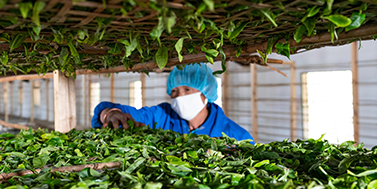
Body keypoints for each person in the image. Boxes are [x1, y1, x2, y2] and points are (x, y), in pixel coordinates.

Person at [91, 63, 254, 143]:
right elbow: (130, 115)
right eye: (174, 91)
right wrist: (110, 113)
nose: (180, 96)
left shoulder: (235, 136)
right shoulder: (161, 116)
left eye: (187, 89)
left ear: (205, 94)